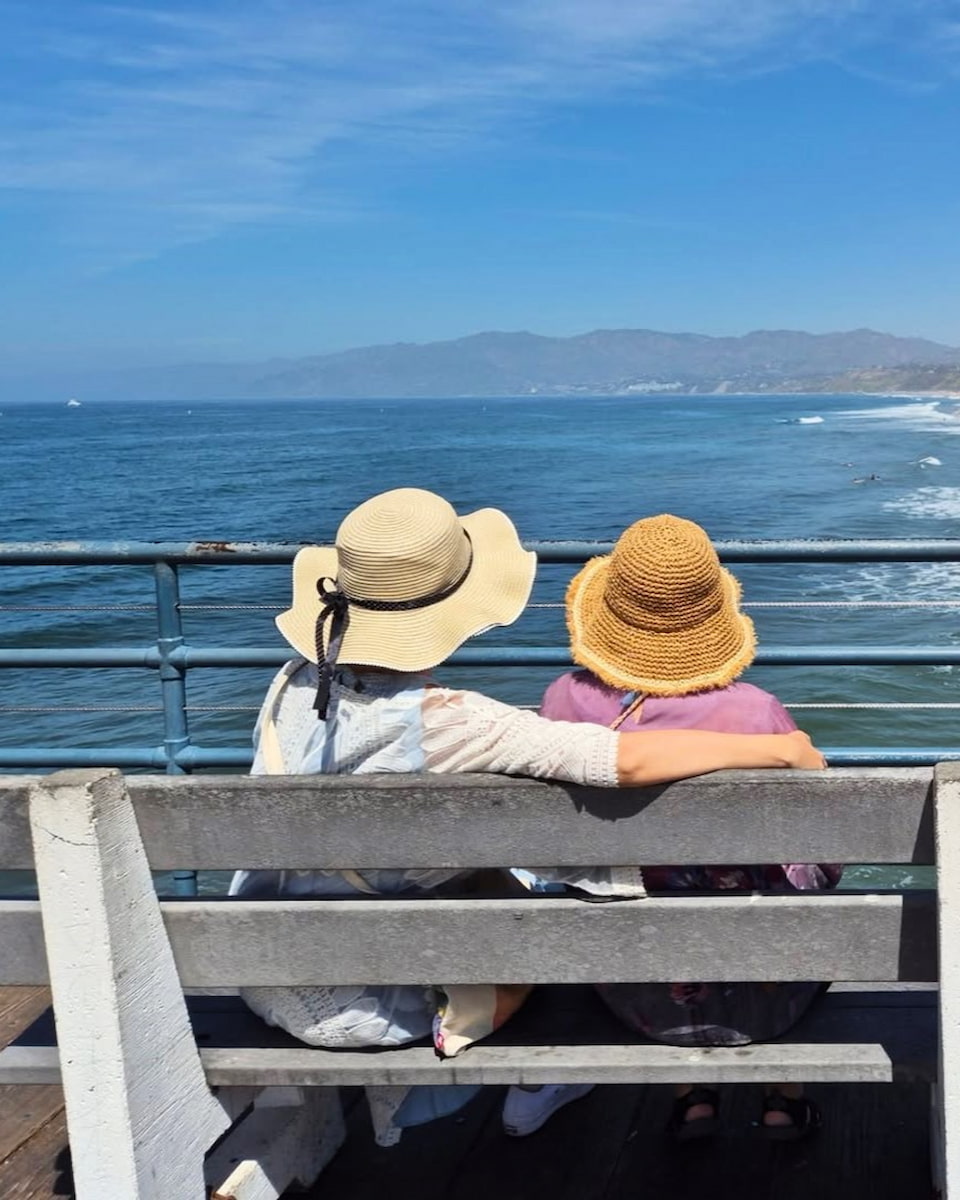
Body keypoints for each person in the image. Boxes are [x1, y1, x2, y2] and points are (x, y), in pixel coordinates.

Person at [231, 489, 826, 1146]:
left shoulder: (292, 682)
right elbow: (619, 761)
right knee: (525, 905)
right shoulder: (456, 723)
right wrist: (780, 747)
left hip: (266, 971)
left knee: (515, 881)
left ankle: (557, 1084)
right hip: (371, 1008)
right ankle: (553, 1076)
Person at [530, 513, 839, 1141]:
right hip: (770, 994)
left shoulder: (560, 700)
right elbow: (824, 842)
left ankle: (692, 1095)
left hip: (633, 990)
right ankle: (784, 1098)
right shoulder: (757, 713)